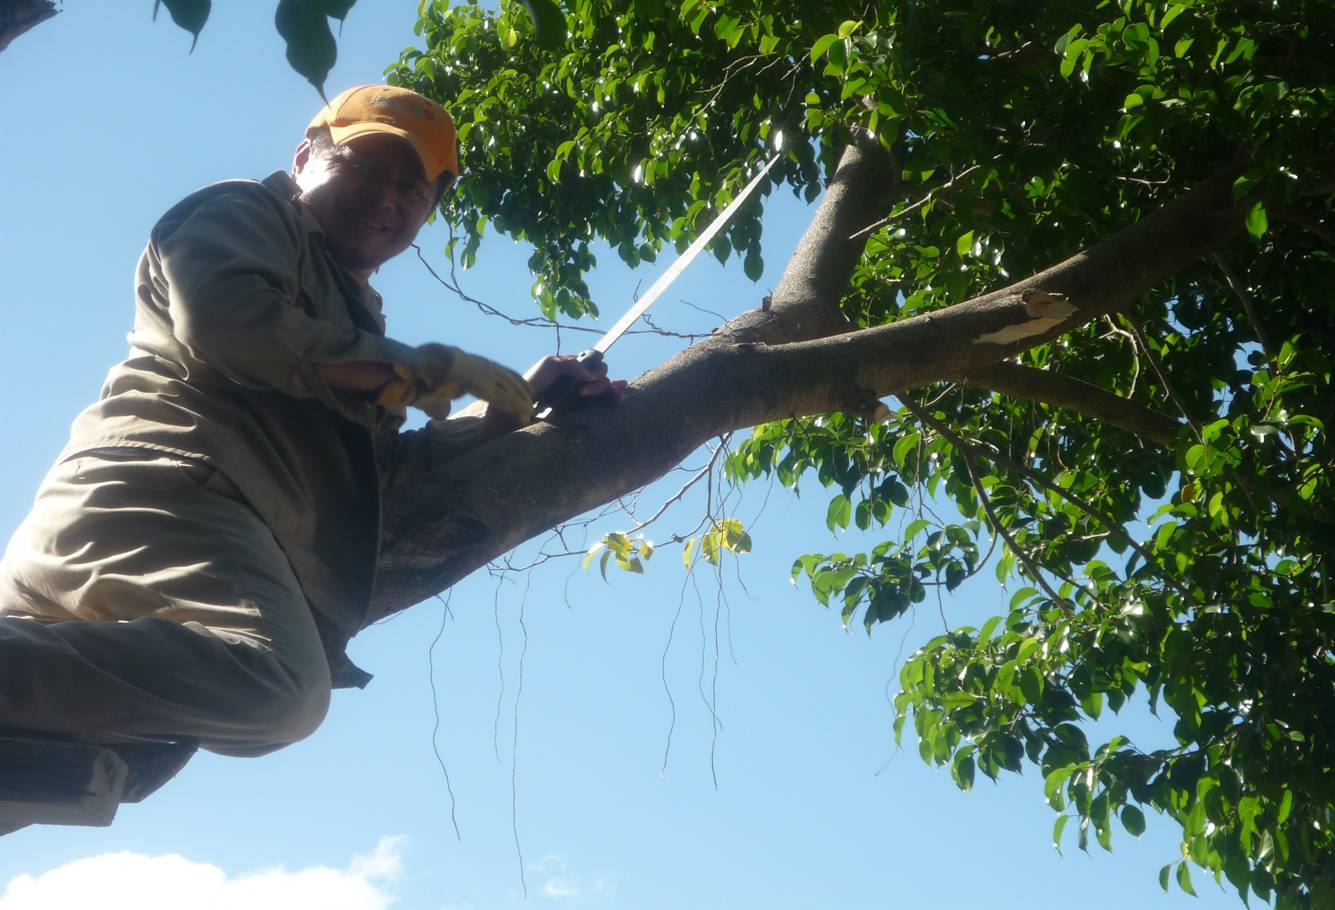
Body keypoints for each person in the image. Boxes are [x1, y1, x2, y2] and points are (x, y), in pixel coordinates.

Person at [0, 84, 621, 758]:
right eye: (363, 165)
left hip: (146, 567)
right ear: (304, 159)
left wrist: (513, 407)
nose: (386, 195)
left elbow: (381, 473)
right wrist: (412, 369)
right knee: (274, 687)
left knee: (75, 763)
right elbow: (229, 324)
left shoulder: (357, 319)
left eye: (413, 188)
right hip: (165, 493)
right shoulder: (247, 211)